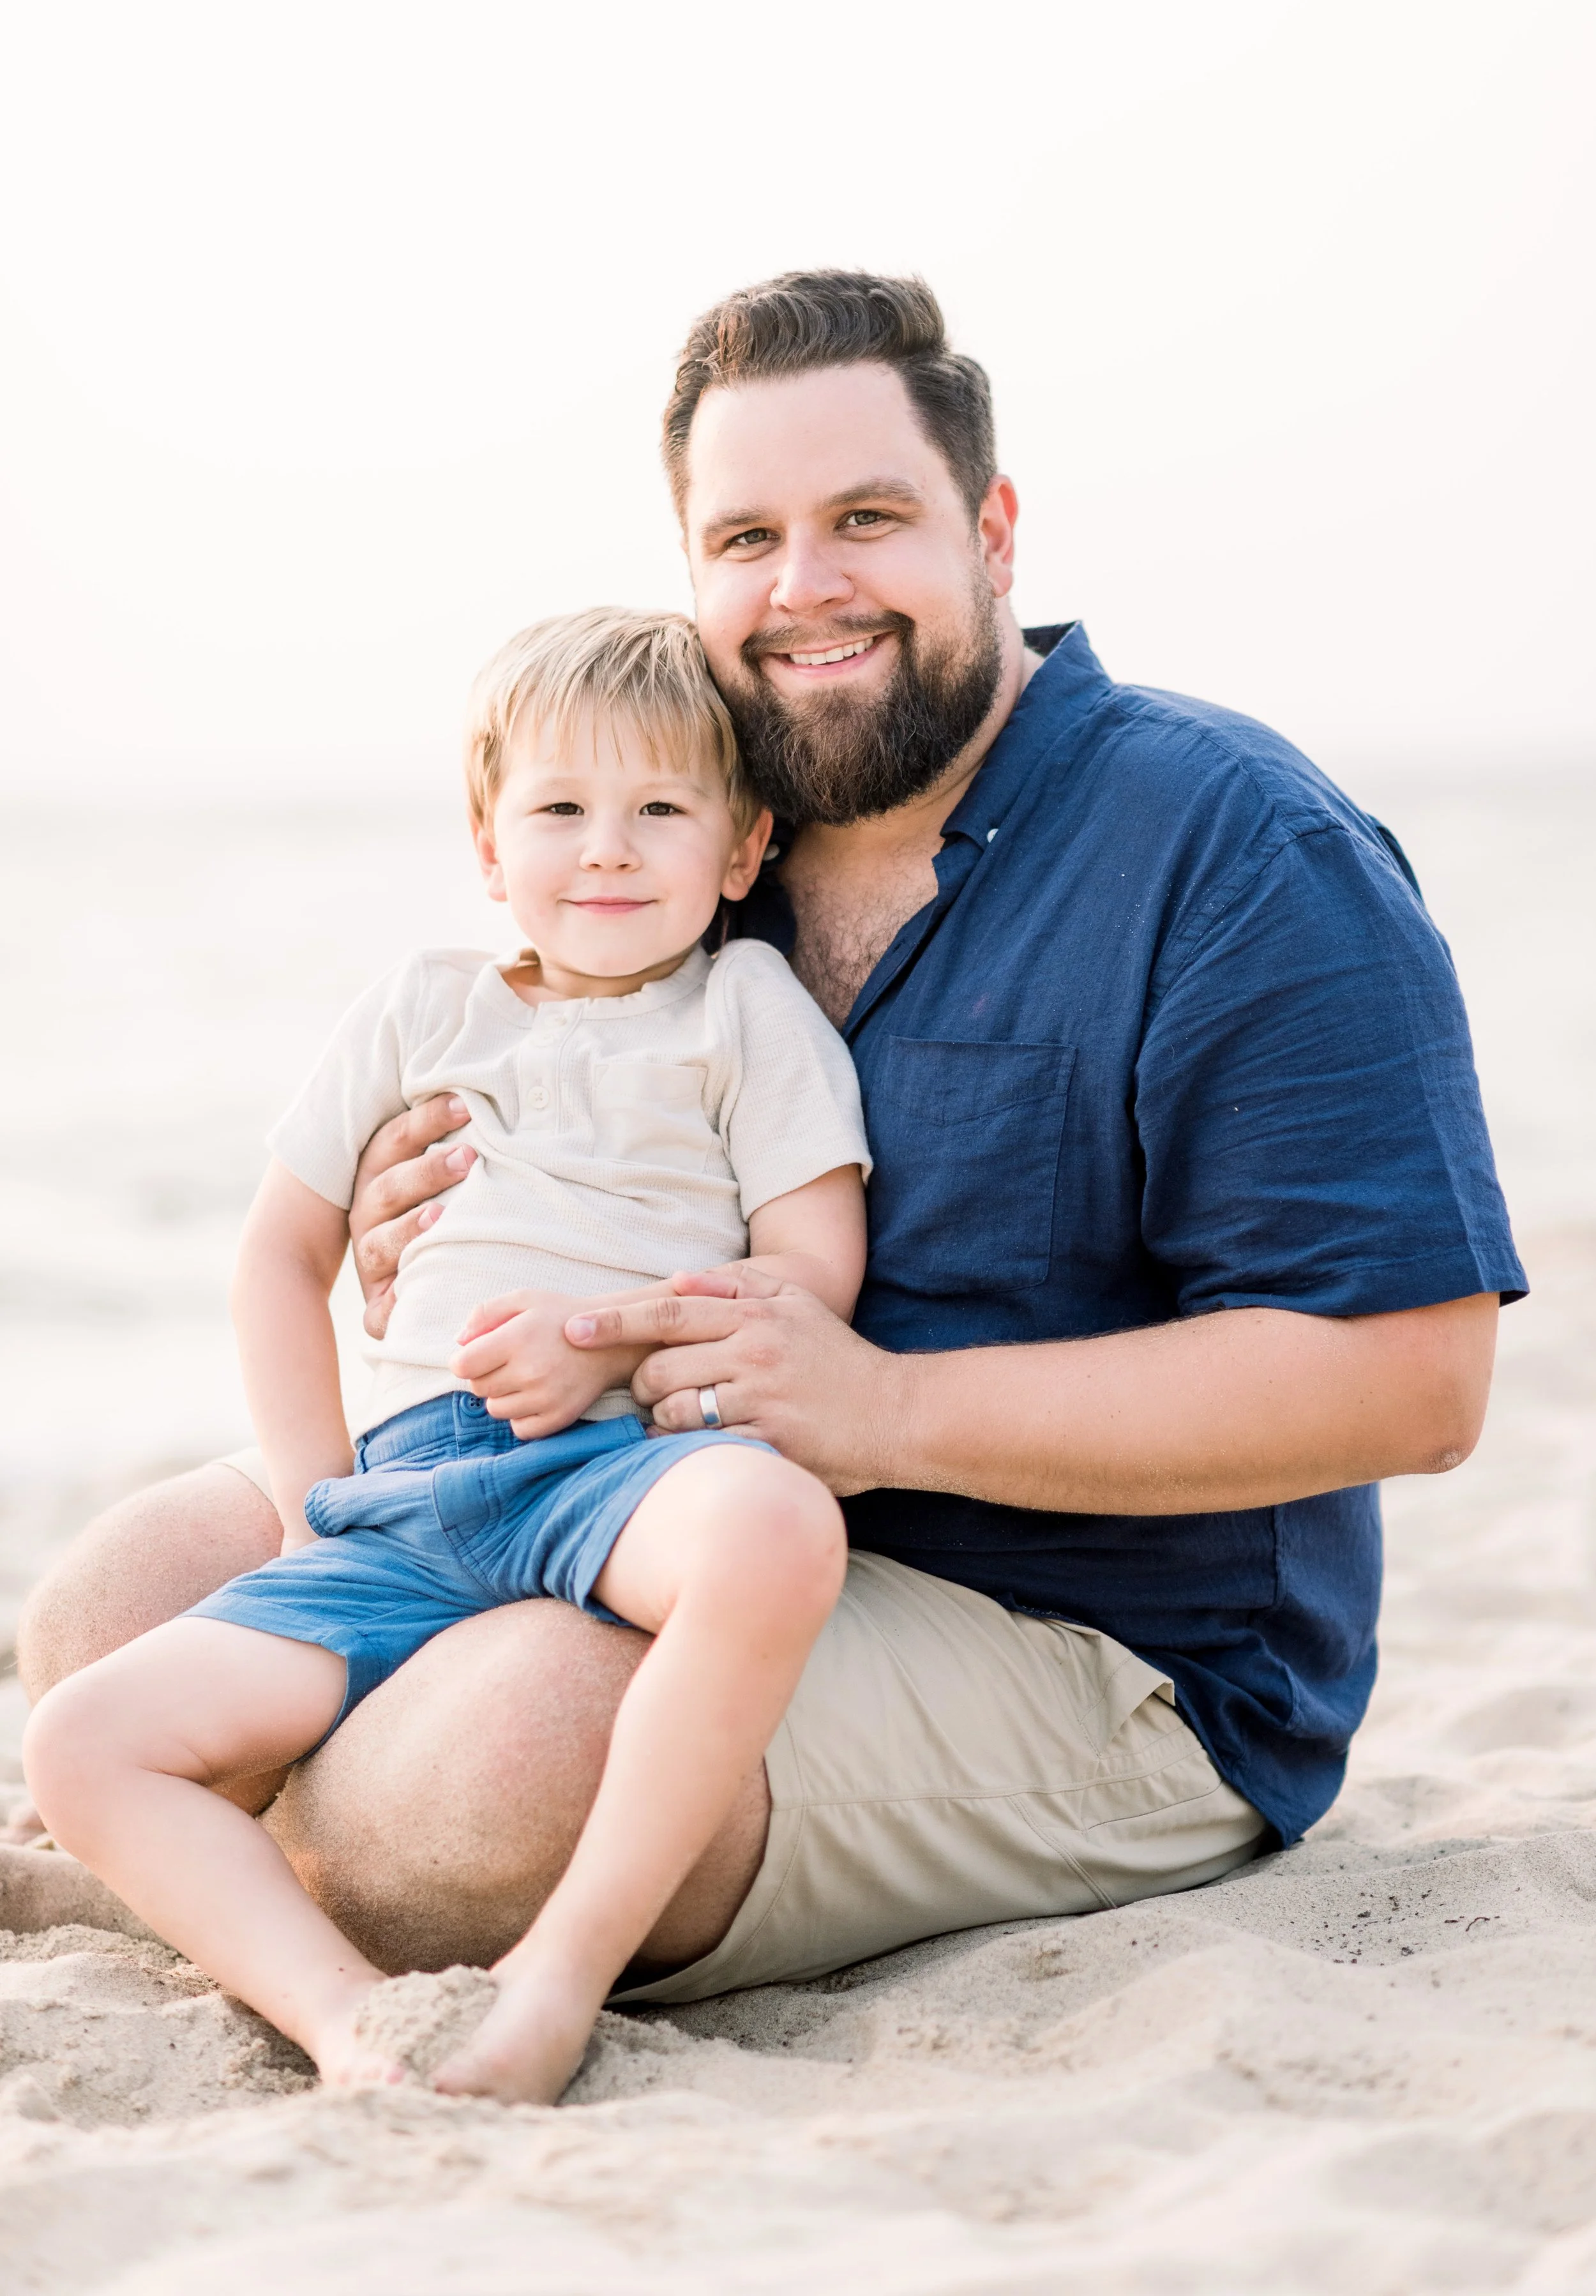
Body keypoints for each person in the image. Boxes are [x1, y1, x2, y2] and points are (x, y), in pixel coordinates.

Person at [16, 271, 1523, 2014]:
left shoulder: (1237, 851)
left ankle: (301, 1875)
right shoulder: (714, 823)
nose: (802, 588)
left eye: (864, 519)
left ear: (993, 529)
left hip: (1081, 1638)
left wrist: (885, 1410)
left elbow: (1417, 1380)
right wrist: (430, 1231)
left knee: (488, 1763)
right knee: (105, 1609)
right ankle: (289, 1859)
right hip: (602, 1475)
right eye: (745, 536)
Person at [21, 608, 870, 2103]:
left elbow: (813, 1268)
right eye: (559, 809)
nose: (605, 849)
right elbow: (280, 1259)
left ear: (739, 850)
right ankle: (345, 2017)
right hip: (408, 1486)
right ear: (489, 846)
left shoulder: (744, 1009)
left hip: (620, 1471)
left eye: (658, 810)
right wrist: (306, 1503)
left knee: (774, 1525)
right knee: (82, 1741)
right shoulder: (424, 1005)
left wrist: (601, 1338)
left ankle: (562, 1969)